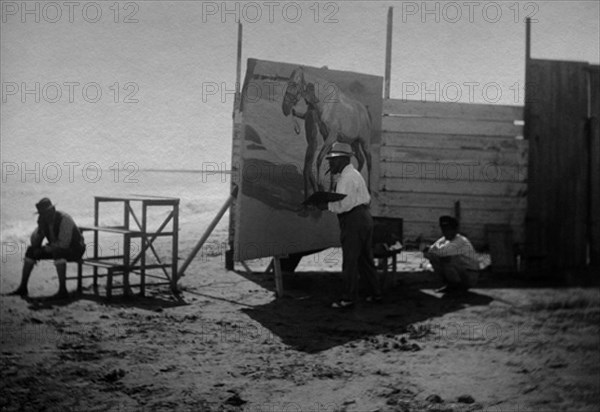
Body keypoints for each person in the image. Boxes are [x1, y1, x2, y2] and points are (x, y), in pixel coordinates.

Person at [319, 142, 381, 308]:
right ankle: (375, 293)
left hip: (354, 219)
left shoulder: (346, 178)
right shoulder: (354, 174)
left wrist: (324, 206)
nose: (330, 164)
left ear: (342, 160)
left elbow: (344, 205)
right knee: (365, 259)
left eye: (332, 160)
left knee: (350, 261)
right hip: (364, 218)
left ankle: (349, 297)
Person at [8, 198, 86, 298]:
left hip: (76, 249)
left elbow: (64, 244)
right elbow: (34, 243)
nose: (45, 215)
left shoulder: (64, 218)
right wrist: (40, 230)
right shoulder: (43, 222)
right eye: (43, 213)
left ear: (53, 210)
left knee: (58, 252)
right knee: (31, 251)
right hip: (55, 248)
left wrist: (45, 249)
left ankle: (63, 290)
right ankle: (23, 287)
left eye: (47, 212)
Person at [423, 216, 479, 293]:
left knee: (446, 259)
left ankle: (457, 287)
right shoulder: (445, 239)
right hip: (462, 272)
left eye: (449, 229)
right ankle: (451, 285)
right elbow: (430, 251)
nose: (446, 232)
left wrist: (430, 250)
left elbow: (440, 253)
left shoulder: (460, 241)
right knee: (435, 258)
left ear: (455, 230)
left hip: (470, 275)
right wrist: (430, 251)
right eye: (444, 230)